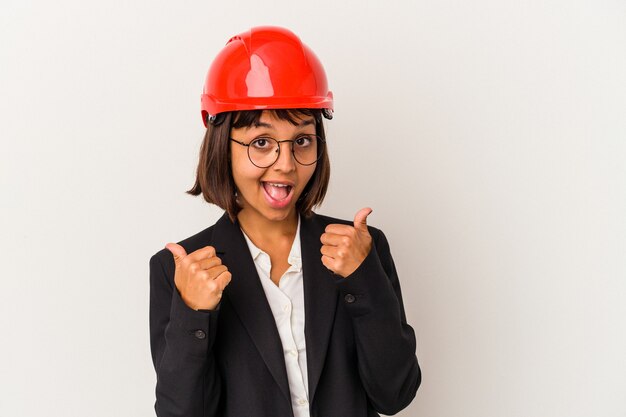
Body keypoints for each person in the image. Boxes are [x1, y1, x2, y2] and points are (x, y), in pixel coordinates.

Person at [149, 26, 421, 417]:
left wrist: (362, 280)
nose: (286, 163)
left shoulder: (363, 249)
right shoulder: (178, 269)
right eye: (261, 142)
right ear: (221, 146)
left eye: (302, 140)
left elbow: (394, 394)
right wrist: (195, 313)